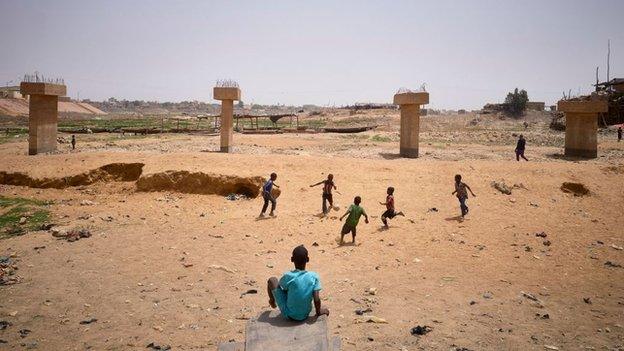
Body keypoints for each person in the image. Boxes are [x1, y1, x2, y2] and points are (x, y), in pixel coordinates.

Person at [267, 245, 329, 321]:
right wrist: (319, 312)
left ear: (292, 259)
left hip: (289, 315)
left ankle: (272, 302)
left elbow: (281, 287)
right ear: (308, 259)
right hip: (305, 314)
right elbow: (316, 299)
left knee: (272, 280)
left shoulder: (288, 276)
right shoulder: (314, 276)